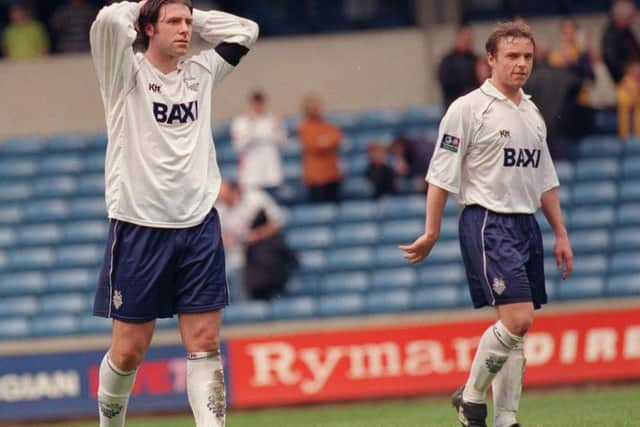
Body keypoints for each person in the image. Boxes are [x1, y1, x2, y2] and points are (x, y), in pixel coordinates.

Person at [89, 1, 257, 426]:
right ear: (147, 27)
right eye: (174, 23)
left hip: (199, 223)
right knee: (129, 350)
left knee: (205, 341)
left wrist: (184, 13)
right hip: (140, 226)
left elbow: (244, 30)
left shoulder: (201, 72)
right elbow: (110, 19)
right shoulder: (123, 72)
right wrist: (151, 8)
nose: (186, 30)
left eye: (189, 22)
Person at [400, 22, 573, 427]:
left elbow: (544, 179)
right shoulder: (467, 109)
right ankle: (472, 396)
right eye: (512, 56)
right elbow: (440, 175)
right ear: (490, 60)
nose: (521, 64)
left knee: (514, 330)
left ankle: (506, 419)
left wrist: (560, 232)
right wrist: (431, 230)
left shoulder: (530, 112)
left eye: (527, 56)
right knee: (518, 319)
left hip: (526, 224)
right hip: (488, 222)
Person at [217, 180, 296, 300]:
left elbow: (277, 222)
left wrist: (256, 235)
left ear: (233, 191)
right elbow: (221, 237)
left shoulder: (256, 199)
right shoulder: (219, 210)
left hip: (263, 253)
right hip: (236, 257)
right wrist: (228, 238)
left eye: (223, 196)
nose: (222, 200)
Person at [231, 90, 288, 198]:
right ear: (250, 104)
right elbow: (238, 146)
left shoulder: (272, 120)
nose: (258, 106)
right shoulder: (241, 122)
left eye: (260, 103)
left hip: (271, 174)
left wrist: (278, 126)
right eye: (255, 103)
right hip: (252, 176)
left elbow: (283, 142)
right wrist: (252, 126)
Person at [298, 93, 343, 203]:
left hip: (332, 175)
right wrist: (325, 142)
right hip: (316, 178)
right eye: (317, 108)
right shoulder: (305, 128)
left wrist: (325, 142)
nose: (320, 110)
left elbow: (336, 137)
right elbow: (313, 145)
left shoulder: (327, 125)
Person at [437, 24, 478, 109]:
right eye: (465, 38)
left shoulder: (476, 60)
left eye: (469, 39)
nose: (467, 41)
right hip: (453, 106)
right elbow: (445, 82)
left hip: (473, 107)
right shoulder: (448, 61)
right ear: (458, 38)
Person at [602, 0, 640, 84]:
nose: (634, 19)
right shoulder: (611, 35)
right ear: (623, 17)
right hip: (624, 79)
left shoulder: (627, 31)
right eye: (631, 16)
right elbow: (611, 61)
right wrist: (629, 68)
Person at [616, 60, 640, 142]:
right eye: (636, 69)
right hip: (627, 132)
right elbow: (621, 100)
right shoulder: (624, 83)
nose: (638, 72)